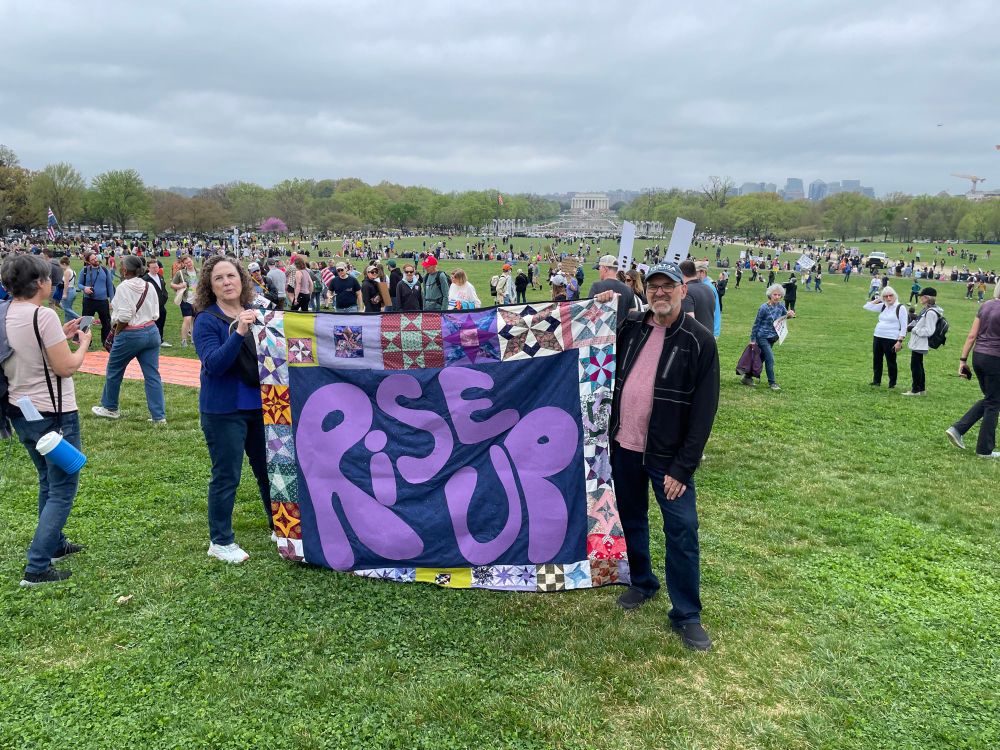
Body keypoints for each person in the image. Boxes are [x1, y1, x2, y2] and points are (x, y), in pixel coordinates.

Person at [600, 261, 720, 650]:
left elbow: (704, 411)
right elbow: (595, 346)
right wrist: (600, 307)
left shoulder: (699, 340)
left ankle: (686, 613)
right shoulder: (632, 326)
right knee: (632, 518)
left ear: (683, 290)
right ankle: (642, 581)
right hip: (625, 446)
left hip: (668, 458)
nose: (660, 293)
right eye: (654, 287)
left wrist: (683, 467)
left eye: (668, 286)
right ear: (645, 291)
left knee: (682, 530)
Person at [1, 254, 92, 586]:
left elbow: (28, 352)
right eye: (49, 278)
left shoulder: (5, 312)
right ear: (39, 283)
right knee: (63, 487)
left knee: (47, 480)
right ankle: (37, 566)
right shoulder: (44, 315)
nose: (52, 282)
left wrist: (59, 336)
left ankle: (54, 544)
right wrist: (83, 345)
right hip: (54, 415)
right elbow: (65, 367)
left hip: (19, 410)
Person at [192, 256, 273, 564]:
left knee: (268, 470)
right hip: (224, 409)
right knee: (227, 475)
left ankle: (280, 526)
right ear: (210, 286)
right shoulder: (206, 320)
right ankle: (221, 540)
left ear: (242, 279)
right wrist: (238, 332)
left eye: (231, 276)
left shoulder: (258, 312)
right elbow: (214, 364)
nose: (227, 282)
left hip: (260, 404)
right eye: (219, 278)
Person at [91, 255, 166, 423]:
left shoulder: (123, 287)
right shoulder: (148, 285)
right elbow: (156, 309)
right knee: (152, 375)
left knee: (114, 371)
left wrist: (117, 332)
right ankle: (159, 416)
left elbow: (124, 316)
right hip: (151, 330)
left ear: (124, 270)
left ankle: (110, 407)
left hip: (130, 333)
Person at [947, 283, 1000, 458]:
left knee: (991, 398)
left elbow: (971, 335)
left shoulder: (985, 305)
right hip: (995, 359)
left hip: (979, 357)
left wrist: (963, 360)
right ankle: (984, 449)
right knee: (993, 403)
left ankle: (958, 429)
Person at [744, 283, 795, 390]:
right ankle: (772, 383)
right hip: (762, 337)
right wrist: (752, 340)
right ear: (770, 295)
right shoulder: (763, 308)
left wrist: (790, 315)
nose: (777, 297)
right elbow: (756, 324)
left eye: (779, 295)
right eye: (774, 294)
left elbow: (784, 317)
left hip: (773, 338)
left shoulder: (781, 306)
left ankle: (747, 377)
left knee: (761, 358)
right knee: (770, 358)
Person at [863, 286, 907, 389]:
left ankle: (892, 383)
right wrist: (879, 299)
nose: (888, 298)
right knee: (877, 359)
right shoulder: (883, 306)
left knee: (891, 361)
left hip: (891, 337)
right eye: (886, 296)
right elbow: (866, 306)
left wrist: (899, 341)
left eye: (890, 295)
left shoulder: (900, 308)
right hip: (878, 335)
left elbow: (904, 326)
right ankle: (876, 381)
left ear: (895, 296)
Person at [902, 287, 942, 397]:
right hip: (918, 342)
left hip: (921, 342)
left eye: (922, 297)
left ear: (927, 298)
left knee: (915, 366)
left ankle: (915, 390)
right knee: (918, 365)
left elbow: (929, 331)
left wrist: (914, 329)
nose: (920, 298)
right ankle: (921, 389)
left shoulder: (931, 312)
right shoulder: (927, 310)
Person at [77, 252, 115, 349]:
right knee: (85, 323)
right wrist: (85, 288)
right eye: (93, 259)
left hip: (103, 301)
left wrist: (112, 300)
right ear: (88, 262)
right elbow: (79, 284)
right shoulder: (84, 271)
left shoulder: (105, 270)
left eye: (96, 258)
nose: (96, 260)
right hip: (89, 300)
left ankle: (106, 342)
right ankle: (85, 343)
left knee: (106, 323)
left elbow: (110, 286)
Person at [588, 255, 635, 324]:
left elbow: (589, 312)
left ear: (605, 269)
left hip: (601, 329)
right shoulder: (629, 289)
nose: (599, 271)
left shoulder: (596, 286)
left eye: (599, 268)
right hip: (621, 329)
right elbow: (632, 314)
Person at [679, 259, 714, 333]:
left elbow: (688, 321)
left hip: (695, 337)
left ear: (681, 274)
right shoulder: (709, 289)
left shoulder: (686, 291)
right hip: (709, 335)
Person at [170, 254, 198, 347]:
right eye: (186, 263)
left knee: (195, 320)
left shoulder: (199, 272)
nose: (189, 264)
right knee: (187, 319)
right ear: (183, 264)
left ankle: (194, 340)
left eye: (189, 261)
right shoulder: (180, 273)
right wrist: (180, 286)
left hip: (197, 301)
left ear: (192, 260)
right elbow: (172, 284)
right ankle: (184, 340)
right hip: (185, 300)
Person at [143, 259, 170, 346]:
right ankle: (150, 340)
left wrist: (165, 295)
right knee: (151, 323)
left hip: (161, 305)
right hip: (151, 306)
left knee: (161, 321)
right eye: (153, 267)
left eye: (157, 267)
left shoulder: (160, 276)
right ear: (148, 268)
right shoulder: (145, 279)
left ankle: (160, 340)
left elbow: (163, 288)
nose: (156, 269)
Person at [58, 256, 79, 322]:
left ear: (64, 264)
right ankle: (68, 323)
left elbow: (66, 283)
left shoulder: (67, 272)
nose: (60, 267)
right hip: (73, 290)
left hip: (68, 291)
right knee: (68, 309)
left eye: (61, 265)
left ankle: (80, 318)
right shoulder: (73, 271)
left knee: (66, 309)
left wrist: (64, 294)